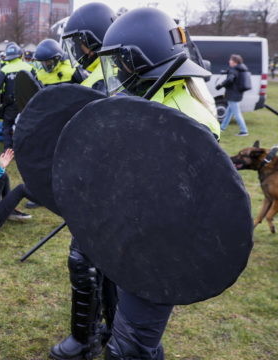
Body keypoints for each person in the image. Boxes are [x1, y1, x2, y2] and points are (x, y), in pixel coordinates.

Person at [94, 8, 221, 359]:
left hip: (158, 254)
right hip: (134, 241)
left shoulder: (186, 119)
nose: (117, 71)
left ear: (144, 60)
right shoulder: (156, 99)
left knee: (127, 350)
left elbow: (173, 204)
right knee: (139, 345)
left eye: (121, 62)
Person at [46, 4, 117, 359]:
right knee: (106, 263)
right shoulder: (102, 72)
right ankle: (106, 330)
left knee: (87, 259)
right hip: (102, 182)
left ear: (94, 40)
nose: (77, 51)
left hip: (110, 186)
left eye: (80, 43)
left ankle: (85, 340)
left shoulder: (112, 73)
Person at [0, 43, 36, 150]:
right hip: (26, 103)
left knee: (7, 126)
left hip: (10, 103)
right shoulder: (29, 67)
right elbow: (36, 85)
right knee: (26, 125)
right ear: (20, 55)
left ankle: (8, 150)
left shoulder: (5, 69)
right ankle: (25, 148)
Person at [216, 54, 250, 136]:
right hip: (237, 93)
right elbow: (232, 74)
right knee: (229, 112)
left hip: (232, 94)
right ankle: (222, 128)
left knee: (237, 113)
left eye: (231, 60)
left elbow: (230, 79)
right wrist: (226, 72)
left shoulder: (234, 70)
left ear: (235, 62)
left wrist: (220, 85)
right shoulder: (240, 69)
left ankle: (244, 131)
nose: (229, 61)